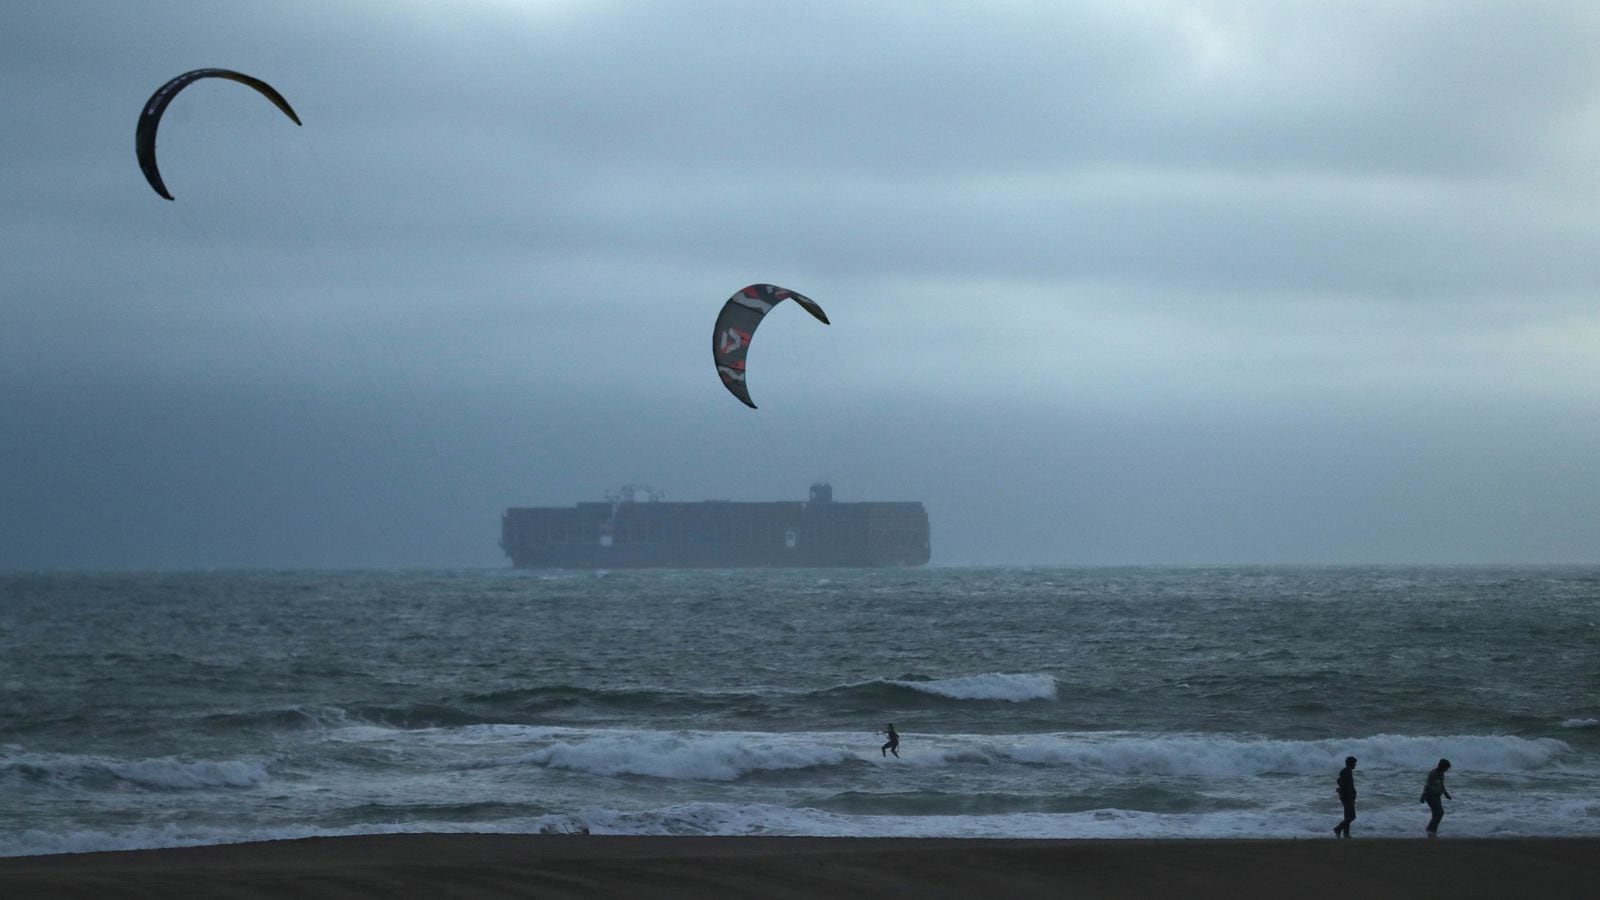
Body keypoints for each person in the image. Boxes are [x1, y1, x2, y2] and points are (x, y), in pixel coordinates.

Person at [1421, 758, 1453, 836]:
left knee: (1436, 814)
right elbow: (1427, 784)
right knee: (1440, 812)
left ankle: (1432, 831)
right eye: (1447, 768)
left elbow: (1442, 785)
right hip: (1430, 795)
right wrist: (1423, 796)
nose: (1447, 770)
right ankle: (1430, 829)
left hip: (1437, 796)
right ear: (1442, 767)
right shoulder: (1433, 773)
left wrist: (1446, 794)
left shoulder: (1441, 774)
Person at [1333, 756, 1357, 837]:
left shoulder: (1346, 771)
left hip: (1345, 796)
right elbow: (1348, 787)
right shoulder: (1347, 772)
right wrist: (1351, 798)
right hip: (1347, 797)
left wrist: (1340, 789)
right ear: (1351, 764)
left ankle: (1346, 834)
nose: (1355, 765)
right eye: (1354, 763)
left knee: (1347, 816)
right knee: (1352, 816)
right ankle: (1338, 829)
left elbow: (1340, 782)